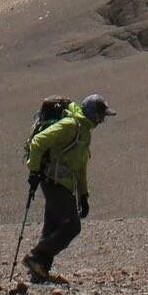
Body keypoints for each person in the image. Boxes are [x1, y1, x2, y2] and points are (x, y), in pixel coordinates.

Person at [23, 93, 113, 284]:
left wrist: (83, 194)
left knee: (53, 225)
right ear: (93, 114)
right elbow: (38, 142)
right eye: (101, 116)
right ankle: (35, 256)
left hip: (62, 182)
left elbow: (80, 166)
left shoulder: (84, 132)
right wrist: (34, 170)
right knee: (72, 226)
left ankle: (40, 270)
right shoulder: (71, 126)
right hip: (53, 180)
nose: (102, 121)